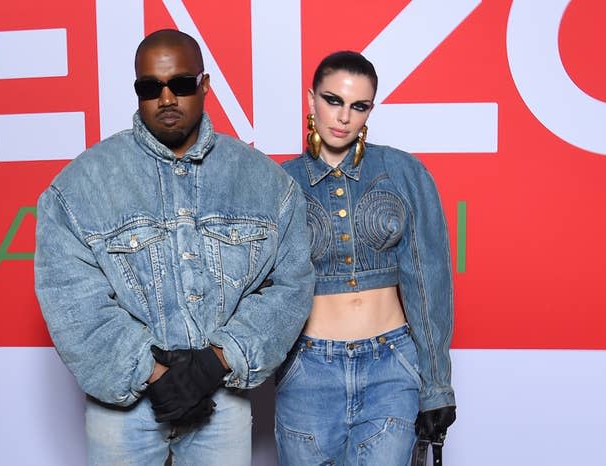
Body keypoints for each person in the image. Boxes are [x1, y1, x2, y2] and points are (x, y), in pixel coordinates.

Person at [34, 29, 314, 466]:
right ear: (137, 93)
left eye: (180, 84)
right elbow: (72, 298)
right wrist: (151, 373)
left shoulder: (266, 183)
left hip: (221, 398)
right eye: (151, 88)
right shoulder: (79, 187)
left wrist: (217, 360)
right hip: (123, 408)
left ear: (204, 86)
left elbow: (291, 284)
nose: (166, 99)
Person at [276, 51, 456, 465]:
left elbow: (428, 283)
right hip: (309, 370)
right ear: (311, 100)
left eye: (359, 106)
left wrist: (436, 386)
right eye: (333, 100)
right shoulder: (280, 183)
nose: (343, 117)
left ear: (369, 110)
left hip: (391, 368)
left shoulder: (404, 173)